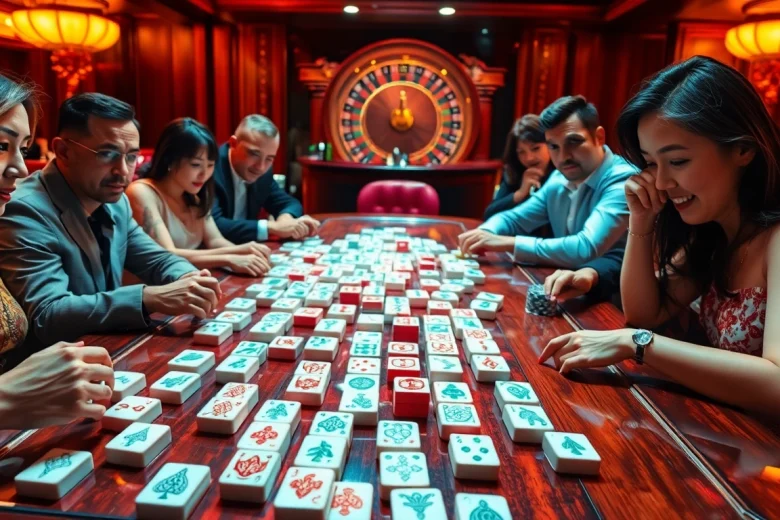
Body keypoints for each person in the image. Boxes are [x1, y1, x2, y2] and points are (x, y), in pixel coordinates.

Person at [539, 56, 780, 415]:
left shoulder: (775, 239)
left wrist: (636, 344)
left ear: (743, 149)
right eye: (651, 163)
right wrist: (641, 219)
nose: (662, 182)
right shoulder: (715, 236)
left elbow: (775, 384)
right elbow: (644, 313)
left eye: (678, 161)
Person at [0, 92, 222, 357]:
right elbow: (48, 314)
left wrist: (190, 279)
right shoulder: (22, 208)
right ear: (63, 151)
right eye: (107, 154)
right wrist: (148, 298)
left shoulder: (115, 201)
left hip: (111, 352)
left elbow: (156, 260)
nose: (124, 171)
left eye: (131, 157)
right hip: (55, 371)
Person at [0, 75, 115, 429]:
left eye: (25, 148)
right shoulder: (28, 208)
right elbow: (48, 312)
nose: (20, 167)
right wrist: (8, 395)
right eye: (1, 146)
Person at [458, 95, 635, 269]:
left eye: (573, 142)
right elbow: (514, 218)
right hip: (567, 287)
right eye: (553, 146)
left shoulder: (623, 179)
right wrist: (486, 232)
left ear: (599, 137)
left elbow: (585, 249)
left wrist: (509, 243)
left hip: (617, 296)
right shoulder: (558, 179)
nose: (563, 157)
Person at [127, 118, 271, 277]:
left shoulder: (193, 196)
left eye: (210, 165)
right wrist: (230, 258)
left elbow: (215, 241)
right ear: (170, 160)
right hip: (151, 294)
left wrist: (246, 251)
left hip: (188, 285)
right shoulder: (142, 192)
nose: (204, 175)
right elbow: (167, 255)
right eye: (196, 165)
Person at [212, 114, 320, 242]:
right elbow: (215, 226)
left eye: (269, 158)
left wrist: (286, 220)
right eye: (254, 154)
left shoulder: (264, 172)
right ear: (233, 144)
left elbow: (289, 203)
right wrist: (272, 227)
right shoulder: (210, 168)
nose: (261, 167)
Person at [483, 114, 553, 220]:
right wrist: (520, 194)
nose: (529, 158)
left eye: (535, 148)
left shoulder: (564, 171)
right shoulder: (514, 172)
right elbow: (489, 214)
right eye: (521, 152)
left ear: (550, 144)